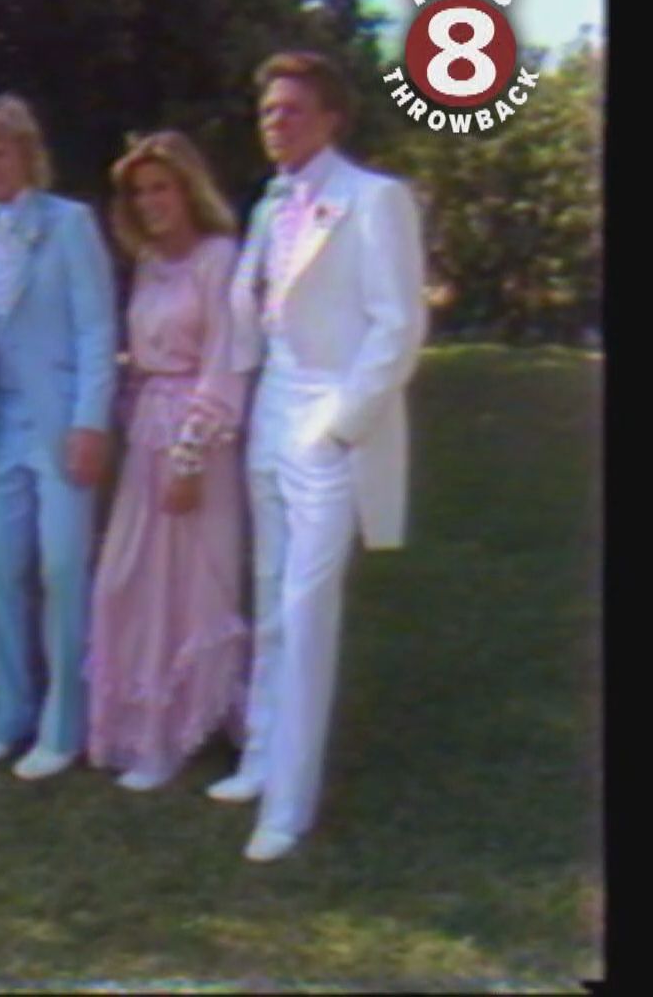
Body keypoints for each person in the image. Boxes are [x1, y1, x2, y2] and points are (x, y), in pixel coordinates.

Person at [205, 51, 427, 863]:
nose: (277, 122)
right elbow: (251, 317)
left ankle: (290, 806)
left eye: (294, 110)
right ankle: (261, 760)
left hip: (330, 414)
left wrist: (341, 426)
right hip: (271, 406)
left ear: (332, 118)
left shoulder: (374, 200)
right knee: (267, 595)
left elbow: (398, 325)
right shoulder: (269, 206)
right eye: (268, 111)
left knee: (306, 609)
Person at [0, 95, 119, 780]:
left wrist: (89, 422)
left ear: (27, 155)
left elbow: (98, 328)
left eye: (2, 149)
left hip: (60, 421)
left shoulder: (69, 224)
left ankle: (64, 725)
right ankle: (4, 715)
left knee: (64, 568)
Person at [83, 131, 250, 791]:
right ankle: (144, 721)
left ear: (189, 189)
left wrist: (188, 457)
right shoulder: (149, 261)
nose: (151, 202)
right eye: (140, 191)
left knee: (189, 581)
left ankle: (180, 731)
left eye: (162, 187)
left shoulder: (220, 258)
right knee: (128, 577)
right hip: (145, 435)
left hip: (197, 443)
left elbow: (223, 365)